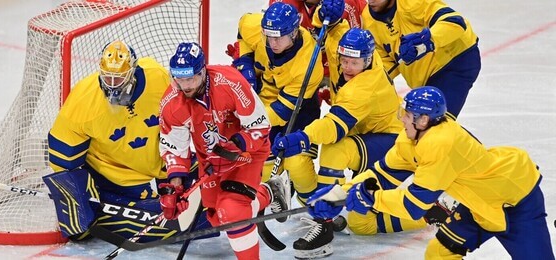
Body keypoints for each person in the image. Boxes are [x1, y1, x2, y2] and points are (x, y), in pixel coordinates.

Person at [308, 86, 555, 259]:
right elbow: (382, 174)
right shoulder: (410, 138)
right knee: (440, 253)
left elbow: (415, 205)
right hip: (479, 206)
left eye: (407, 115)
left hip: (516, 200)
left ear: (424, 120)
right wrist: (338, 195)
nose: (402, 120)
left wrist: (372, 198)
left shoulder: (442, 143)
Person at [271, 2, 426, 254]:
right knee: (360, 223)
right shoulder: (349, 53)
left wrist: (302, 137)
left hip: (392, 144)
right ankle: (321, 208)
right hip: (366, 136)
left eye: (354, 63)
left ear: (368, 60)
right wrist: (327, 17)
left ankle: (324, 226)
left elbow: (334, 127)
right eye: (343, 61)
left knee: (335, 148)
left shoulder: (364, 86)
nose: (346, 68)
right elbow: (335, 31)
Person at [43, 40, 209, 242]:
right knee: (172, 224)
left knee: (213, 189)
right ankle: (110, 210)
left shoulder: (157, 79)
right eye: (108, 78)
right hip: (119, 176)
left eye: (119, 78)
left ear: (133, 72)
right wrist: (78, 203)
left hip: (162, 161)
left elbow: (183, 120)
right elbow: (63, 160)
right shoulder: (83, 100)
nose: (113, 85)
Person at [158, 42, 288, 260]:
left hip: (246, 153)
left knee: (233, 212)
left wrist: (235, 146)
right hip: (210, 160)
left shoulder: (231, 82)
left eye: (190, 79)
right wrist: (175, 187)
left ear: (203, 72)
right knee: (218, 217)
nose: (185, 85)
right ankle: (269, 192)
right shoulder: (171, 102)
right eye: (179, 79)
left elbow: (260, 125)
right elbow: (174, 148)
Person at [227, 0, 367, 106]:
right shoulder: (284, 4)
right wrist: (245, 58)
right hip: (294, 69)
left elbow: (356, 52)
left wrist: (335, 83)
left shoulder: (346, 6)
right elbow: (263, 35)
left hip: (331, 67)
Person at [362, 0, 481, 118]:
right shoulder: (368, 20)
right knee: (413, 124)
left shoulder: (412, 2)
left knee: (432, 124)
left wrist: (425, 41)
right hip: (427, 79)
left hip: (456, 60)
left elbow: (455, 22)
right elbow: (388, 63)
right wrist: (367, 80)